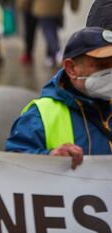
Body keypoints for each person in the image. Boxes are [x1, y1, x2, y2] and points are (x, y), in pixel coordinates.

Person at [6, 27, 112, 169]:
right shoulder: (40, 116)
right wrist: (49, 157)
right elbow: (13, 163)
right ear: (71, 69)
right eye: (101, 65)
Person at [25, 0, 79, 67]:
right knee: (52, 30)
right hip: (57, 6)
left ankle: (57, 52)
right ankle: (50, 57)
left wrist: (24, 4)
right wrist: (74, 5)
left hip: (42, 6)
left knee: (48, 31)